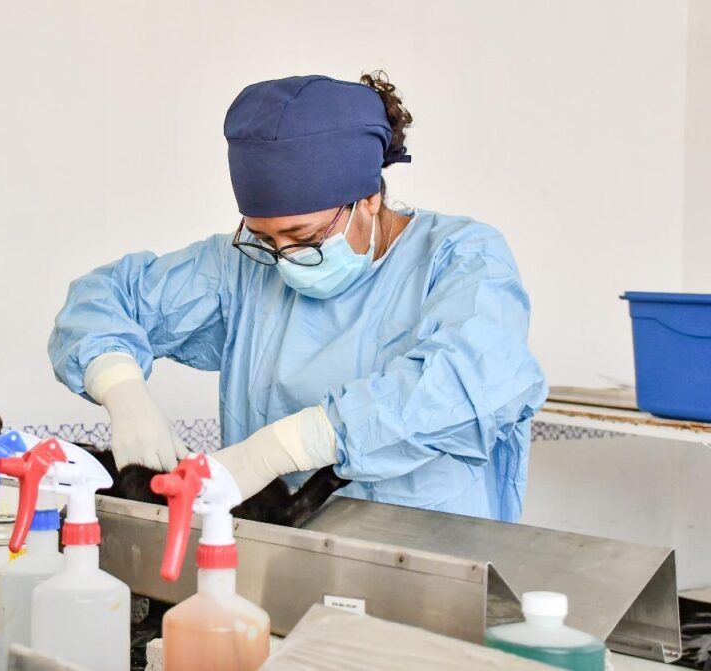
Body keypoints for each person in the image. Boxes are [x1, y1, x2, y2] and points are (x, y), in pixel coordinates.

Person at [48, 72, 547, 522]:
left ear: (369, 199)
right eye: (265, 239)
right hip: (277, 554)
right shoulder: (241, 268)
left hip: (427, 559)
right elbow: (104, 298)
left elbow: (465, 384)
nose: (284, 259)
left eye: (304, 237)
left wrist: (276, 450)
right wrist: (122, 390)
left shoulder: (461, 258)